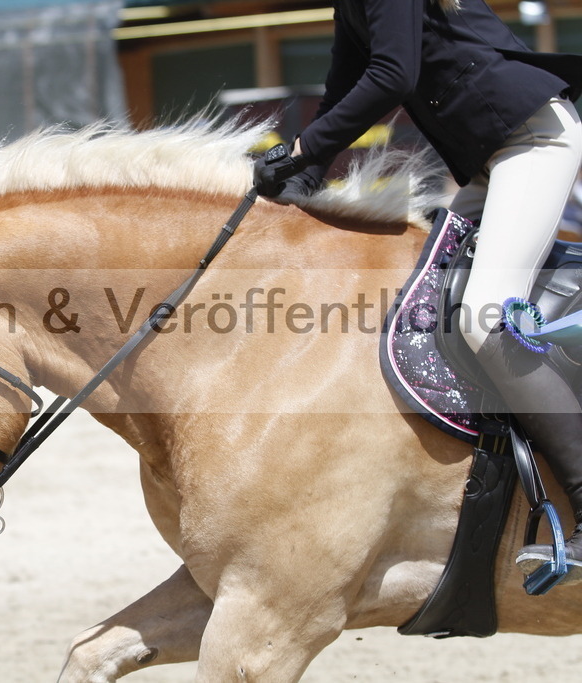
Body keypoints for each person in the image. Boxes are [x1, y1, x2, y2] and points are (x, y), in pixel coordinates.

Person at [253, 0, 582, 583]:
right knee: (422, 291)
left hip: (532, 142)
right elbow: (345, 85)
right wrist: (301, 177)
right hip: (490, 161)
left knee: (483, 317)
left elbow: (392, 75)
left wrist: (301, 151)